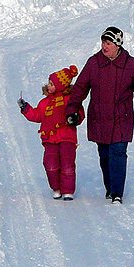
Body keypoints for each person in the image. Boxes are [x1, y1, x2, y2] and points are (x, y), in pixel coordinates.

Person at [68, 26, 134, 204]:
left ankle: (117, 193)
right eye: (103, 42)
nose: (104, 46)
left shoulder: (131, 65)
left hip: (121, 119)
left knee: (118, 153)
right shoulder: (94, 63)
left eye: (108, 43)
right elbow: (80, 89)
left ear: (118, 45)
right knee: (105, 155)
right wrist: (71, 110)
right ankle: (109, 187)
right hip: (99, 118)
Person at [18, 64, 84, 201]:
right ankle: (56, 188)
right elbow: (37, 115)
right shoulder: (44, 103)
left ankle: (68, 191)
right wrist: (26, 108)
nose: (48, 85)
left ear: (60, 86)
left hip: (67, 137)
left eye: (52, 83)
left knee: (67, 164)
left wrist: (75, 118)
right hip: (49, 138)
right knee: (50, 164)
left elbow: (79, 113)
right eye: (49, 82)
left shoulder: (70, 100)